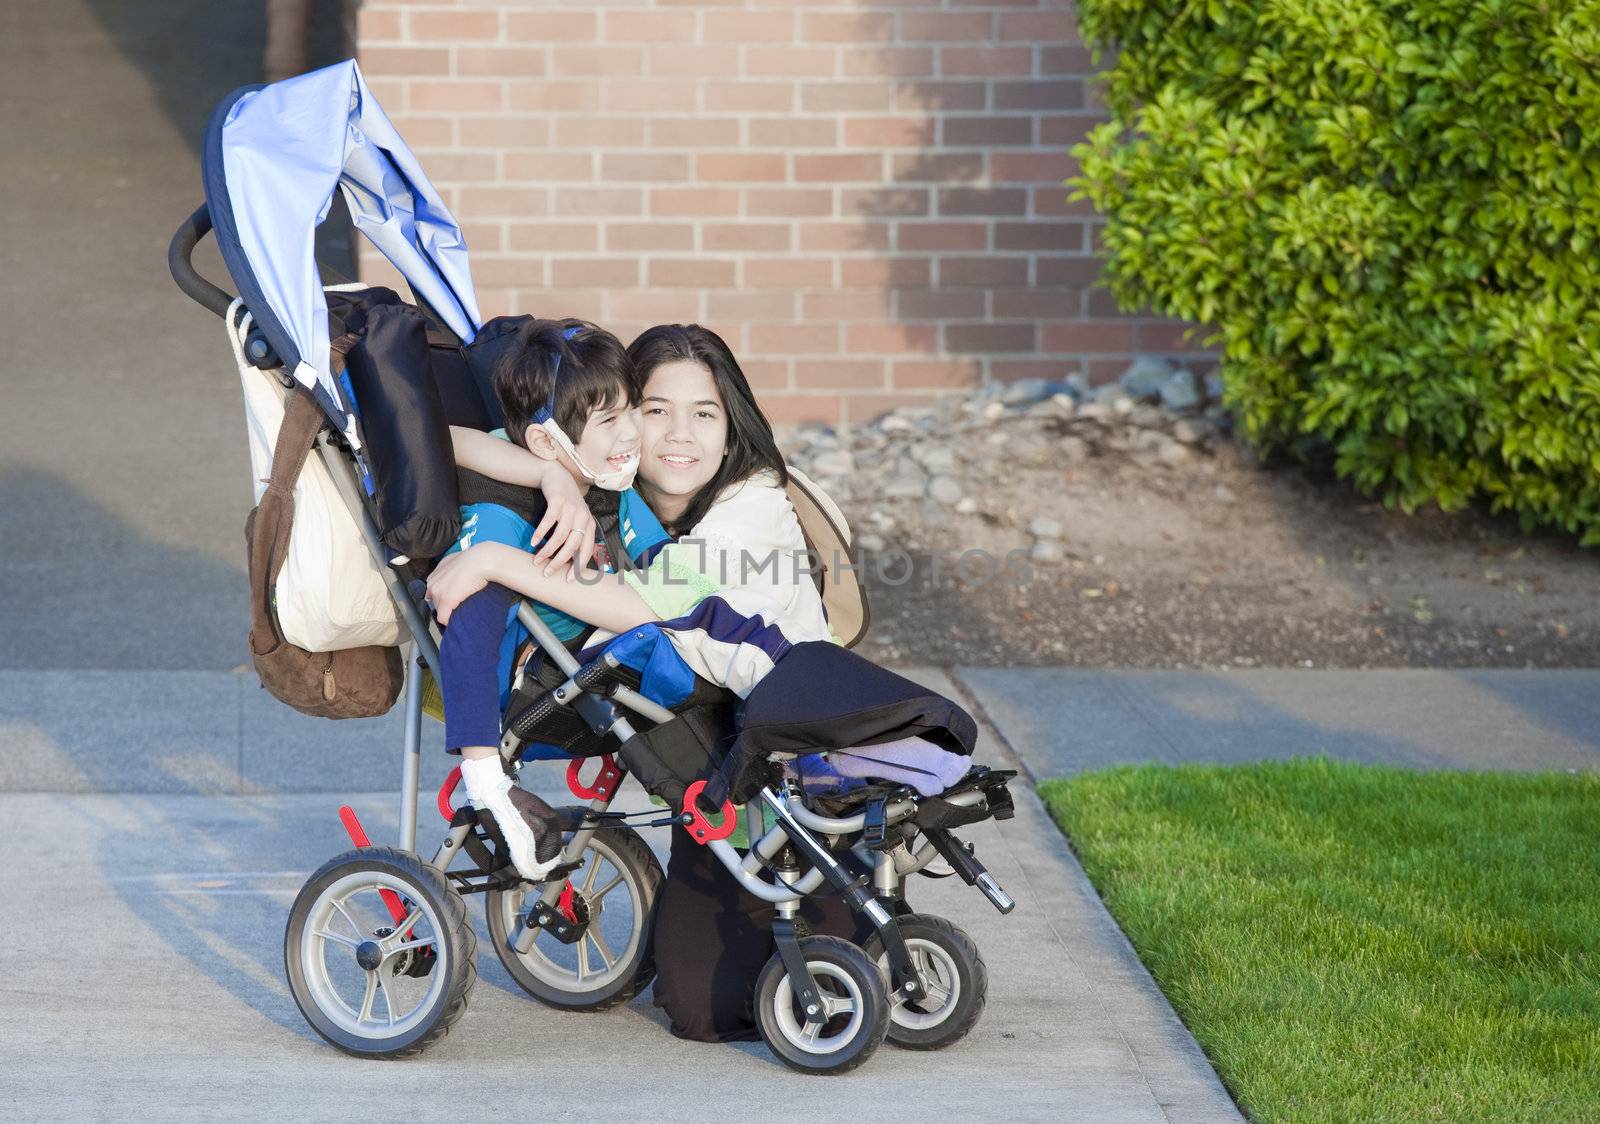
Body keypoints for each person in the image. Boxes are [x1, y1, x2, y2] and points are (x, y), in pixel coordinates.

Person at [431, 323, 877, 1041]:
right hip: (702, 764)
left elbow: (645, 605)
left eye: (704, 414)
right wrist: (549, 476)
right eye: (652, 409)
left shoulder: (749, 508)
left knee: (818, 975)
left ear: (732, 424)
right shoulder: (609, 474)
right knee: (699, 1010)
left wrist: (492, 562)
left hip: (792, 768)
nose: (676, 436)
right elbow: (449, 440)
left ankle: (859, 899)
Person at [438, 317, 667, 884]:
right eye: (610, 419)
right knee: (483, 597)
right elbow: (443, 441)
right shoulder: (503, 511)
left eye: (632, 410)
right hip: (532, 685)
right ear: (545, 441)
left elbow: (665, 572)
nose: (632, 432)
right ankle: (487, 783)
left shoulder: (616, 494)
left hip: (598, 646)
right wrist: (484, 768)